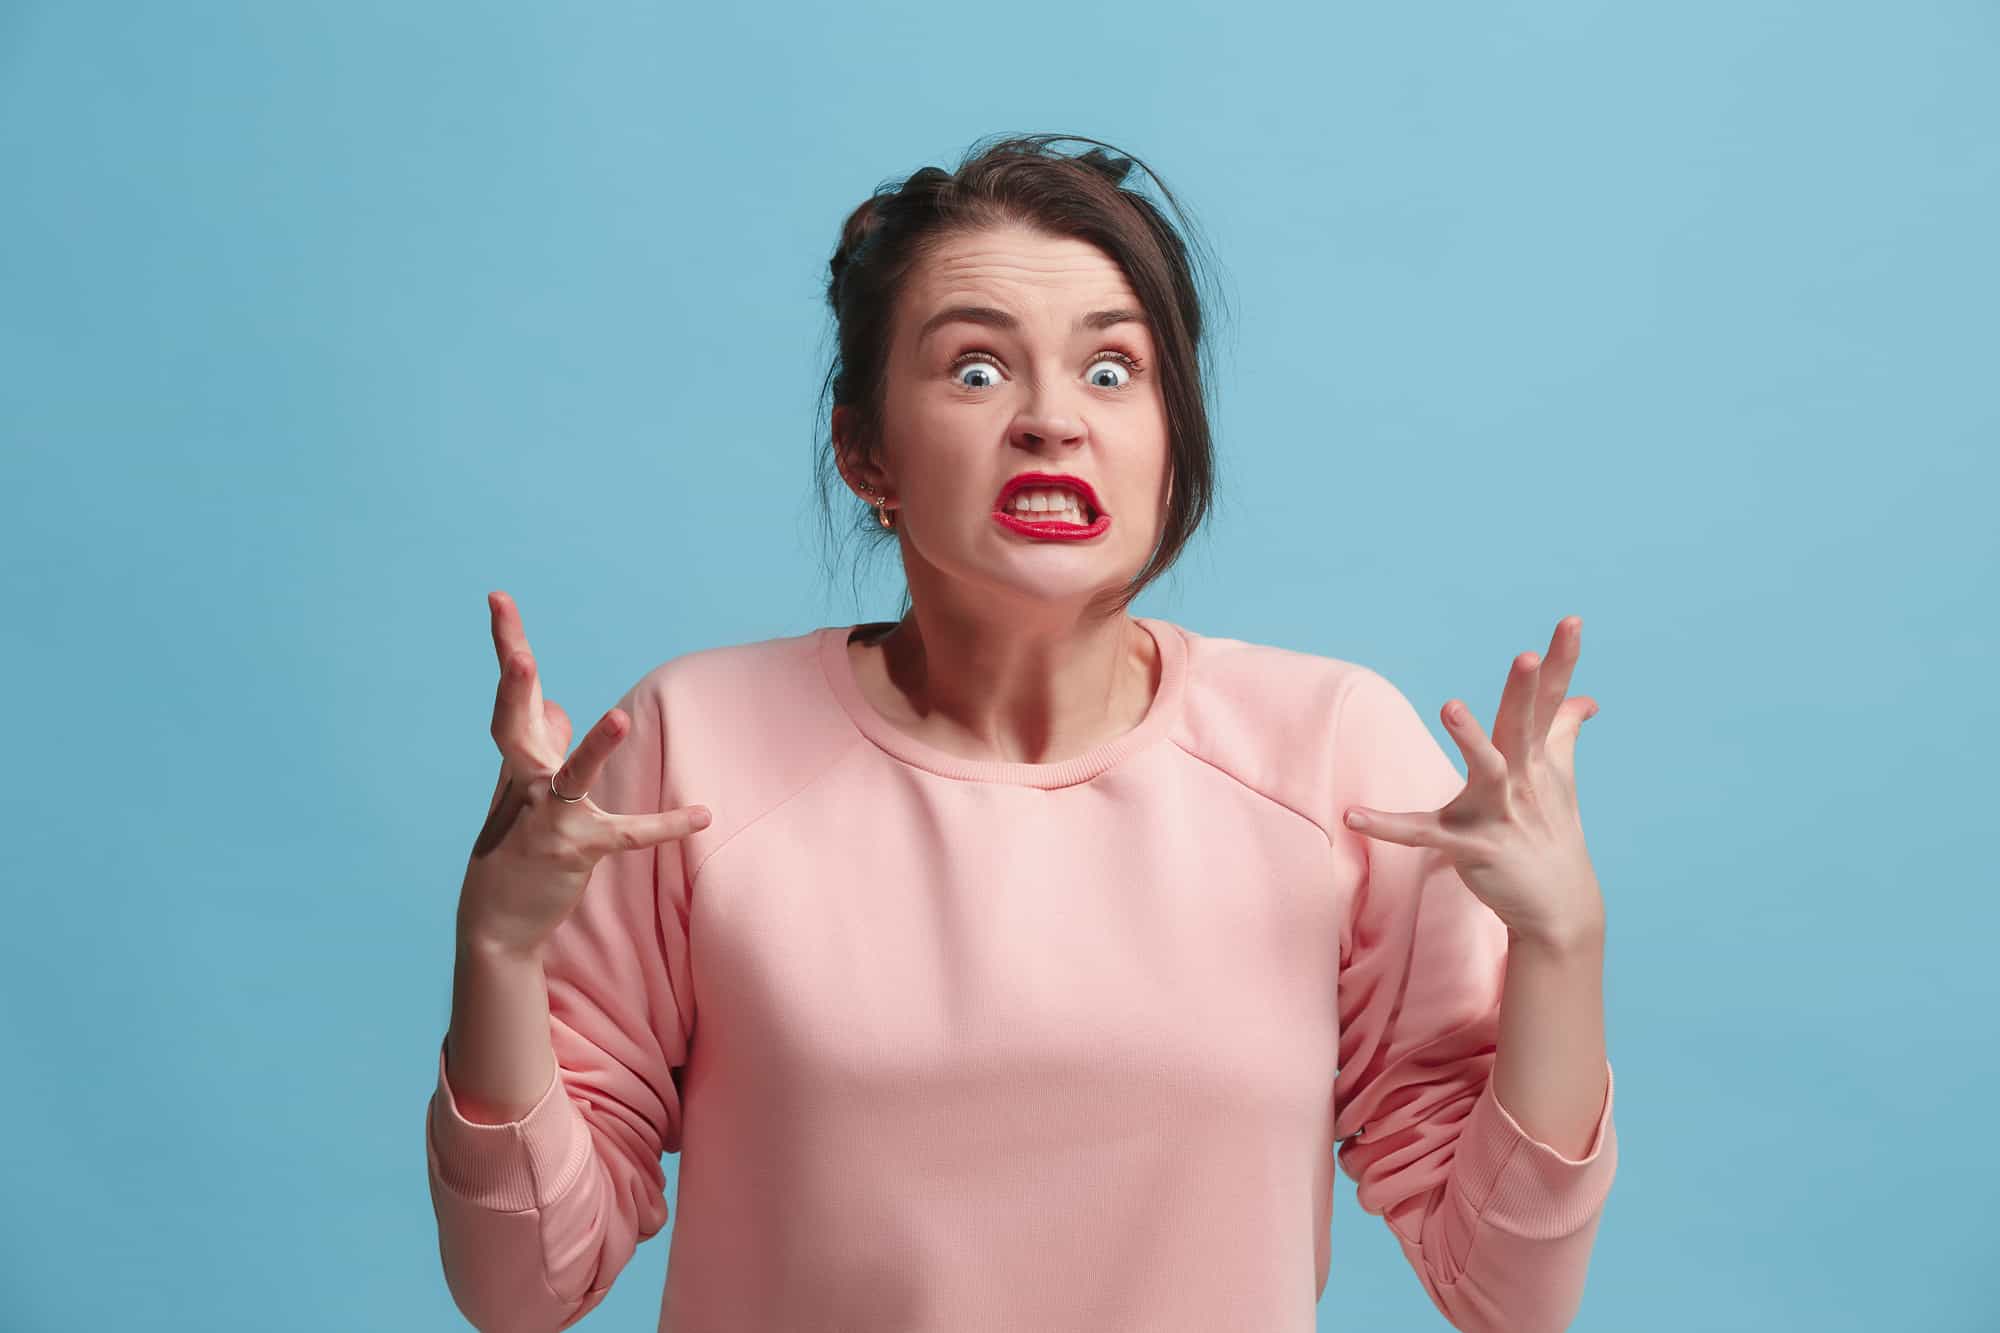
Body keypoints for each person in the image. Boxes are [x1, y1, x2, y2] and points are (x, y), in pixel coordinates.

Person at [423, 133, 1617, 1333]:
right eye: (977, 371)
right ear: (863, 452)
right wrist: (497, 952)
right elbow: (523, 1289)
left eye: (1112, 371)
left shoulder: (1331, 754)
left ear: (1172, 437)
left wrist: (1562, 942)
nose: (1052, 418)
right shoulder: (691, 749)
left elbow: (1505, 1294)